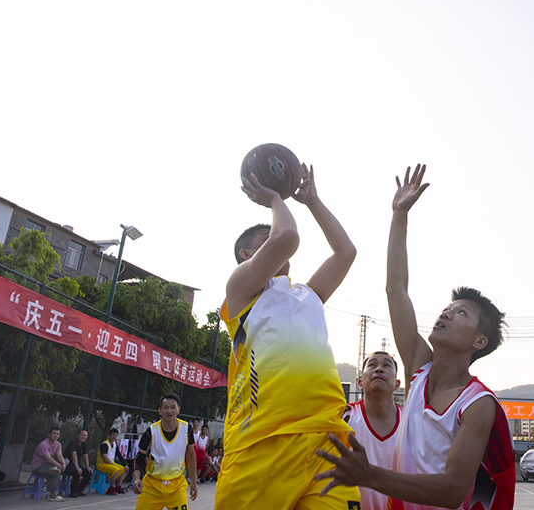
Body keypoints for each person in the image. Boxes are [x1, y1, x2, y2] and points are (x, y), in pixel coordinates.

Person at [315, 164, 516, 510]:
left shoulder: (477, 404)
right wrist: (399, 215)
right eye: (448, 308)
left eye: (461, 313)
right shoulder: (418, 369)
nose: (446, 313)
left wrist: (369, 475)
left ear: (479, 341)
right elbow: (396, 288)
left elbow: (453, 491)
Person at [214, 163, 360, 510]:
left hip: (326, 441)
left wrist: (313, 201)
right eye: (265, 237)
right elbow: (287, 238)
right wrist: (274, 199)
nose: (276, 235)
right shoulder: (241, 291)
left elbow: (346, 252)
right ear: (246, 255)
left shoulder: (307, 295)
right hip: (262, 443)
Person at [342, 351, 402, 510]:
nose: (379, 369)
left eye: (386, 365)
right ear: (360, 383)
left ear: (397, 384)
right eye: (372, 365)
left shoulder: (410, 423)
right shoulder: (344, 418)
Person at [131, 393, 197, 510]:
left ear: (178, 410)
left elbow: (191, 454)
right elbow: (139, 459)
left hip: (176, 486)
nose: (169, 411)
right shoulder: (151, 432)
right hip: (152, 486)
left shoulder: (187, 429)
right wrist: (136, 479)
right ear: (160, 411)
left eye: (173, 407)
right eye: (166, 407)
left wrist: (194, 481)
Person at [30, 426, 66, 502]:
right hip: (38, 466)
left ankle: (48, 487)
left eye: (58, 434)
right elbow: (48, 459)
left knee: (66, 461)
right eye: (54, 433)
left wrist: (63, 464)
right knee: (55, 472)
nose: (56, 436)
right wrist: (58, 465)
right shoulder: (43, 445)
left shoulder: (58, 444)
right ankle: (53, 495)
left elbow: (59, 455)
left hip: (48, 465)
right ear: (49, 434)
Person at [96, 428, 128, 495]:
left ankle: (118, 486)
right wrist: (113, 464)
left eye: (115, 435)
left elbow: (119, 455)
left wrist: (125, 464)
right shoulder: (104, 445)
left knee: (125, 469)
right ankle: (111, 488)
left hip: (110, 463)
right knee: (116, 470)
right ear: (109, 435)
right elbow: (105, 458)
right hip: (102, 464)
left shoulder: (115, 444)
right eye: (112, 435)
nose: (114, 437)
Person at [63, 429, 93, 498]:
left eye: (85, 436)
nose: (83, 437)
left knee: (88, 472)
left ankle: (79, 490)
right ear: (78, 435)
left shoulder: (83, 444)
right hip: (67, 465)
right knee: (77, 472)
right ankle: (73, 492)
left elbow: (85, 455)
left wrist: (87, 467)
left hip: (76, 465)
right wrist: (77, 468)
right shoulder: (73, 443)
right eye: (82, 435)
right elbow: (74, 455)